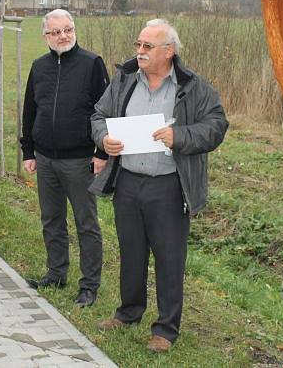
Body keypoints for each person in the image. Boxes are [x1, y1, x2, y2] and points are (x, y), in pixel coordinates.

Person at [90, 18, 228, 353]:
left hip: (168, 186)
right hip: (127, 182)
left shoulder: (193, 86)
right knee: (131, 253)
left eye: (147, 46)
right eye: (138, 45)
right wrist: (103, 139)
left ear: (169, 51)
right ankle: (128, 312)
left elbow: (217, 126)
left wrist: (179, 136)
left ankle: (165, 330)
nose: (139, 52)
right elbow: (98, 115)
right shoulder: (124, 80)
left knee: (169, 258)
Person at [20, 9, 109, 308]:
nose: (63, 36)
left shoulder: (92, 64)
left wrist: (102, 152)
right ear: (46, 36)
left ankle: (89, 286)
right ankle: (56, 274)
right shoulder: (39, 66)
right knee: (51, 219)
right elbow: (30, 109)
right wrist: (28, 150)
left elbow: (105, 110)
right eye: (56, 32)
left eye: (68, 29)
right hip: (45, 159)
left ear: (74, 30)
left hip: (80, 159)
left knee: (86, 223)